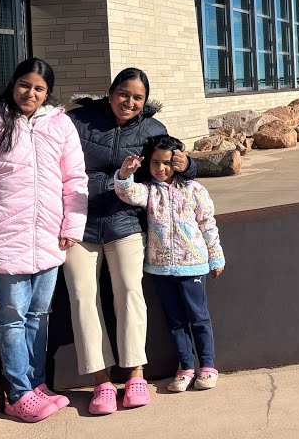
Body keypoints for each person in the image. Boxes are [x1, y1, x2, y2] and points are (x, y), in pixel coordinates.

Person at [0, 58, 89, 423]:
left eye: (40, 88)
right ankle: (18, 393)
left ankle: (37, 383)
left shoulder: (60, 125)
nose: (31, 93)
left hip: (48, 237)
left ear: (48, 93)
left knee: (39, 314)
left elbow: (75, 178)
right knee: (12, 316)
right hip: (4, 236)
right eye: (25, 85)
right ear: (13, 84)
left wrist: (71, 226)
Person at [65, 68, 198, 415]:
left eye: (137, 97)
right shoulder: (78, 122)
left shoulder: (152, 130)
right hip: (79, 223)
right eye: (124, 94)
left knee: (129, 291)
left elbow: (167, 168)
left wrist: (189, 166)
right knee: (82, 297)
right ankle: (101, 381)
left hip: (125, 223)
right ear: (110, 93)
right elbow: (62, 171)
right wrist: (111, 181)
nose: (130, 102)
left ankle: (135, 373)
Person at [115, 135, 225, 393]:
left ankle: (207, 365)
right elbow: (127, 192)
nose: (160, 168)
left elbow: (208, 224)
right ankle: (185, 367)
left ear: (178, 162)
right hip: (161, 268)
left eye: (166, 163)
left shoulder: (194, 190)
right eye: (155, 163)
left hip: (193, 266)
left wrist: (215, 256)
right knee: (175, 320)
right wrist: (125, 173)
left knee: (198, 316)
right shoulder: (149, 191)